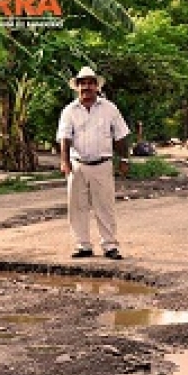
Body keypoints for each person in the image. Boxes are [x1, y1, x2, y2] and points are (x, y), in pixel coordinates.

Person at [56, 66, 130, 260]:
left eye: (90, 83)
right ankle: (83, 246)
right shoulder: (69, 111)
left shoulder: (109, 108)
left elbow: (121, 135)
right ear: (77, 87)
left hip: (103, 164)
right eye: (82, 83)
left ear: (97, 86)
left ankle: (110, 245)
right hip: (78, 164)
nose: (86, 87)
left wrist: (124, 159)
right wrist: (64, 161)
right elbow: (64, 137)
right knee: (77, 207)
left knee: (105, 206)